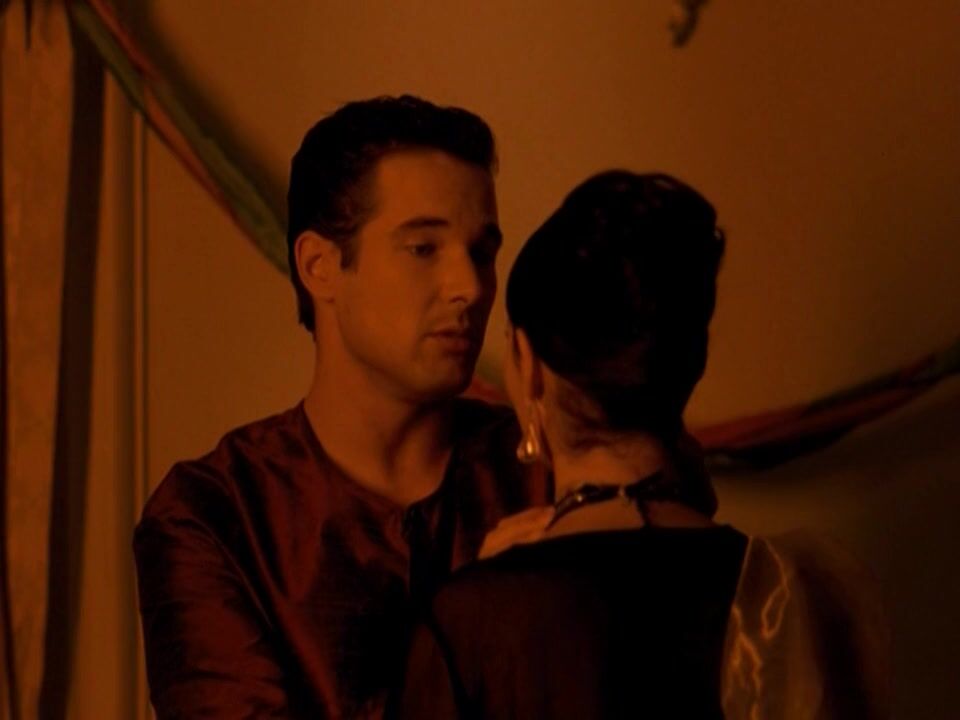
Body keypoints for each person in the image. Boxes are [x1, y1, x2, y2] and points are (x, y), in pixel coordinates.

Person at [395, 171, 889, 718]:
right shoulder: (793, 597)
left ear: (528, 367)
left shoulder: (472, 623)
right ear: (687, 366)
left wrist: (488, 602)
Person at [133, 95, 550, 718]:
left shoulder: (545, 475)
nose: (469, 287)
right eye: (423, 248)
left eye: (482, 253)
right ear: (319, 267)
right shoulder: (215, 516)